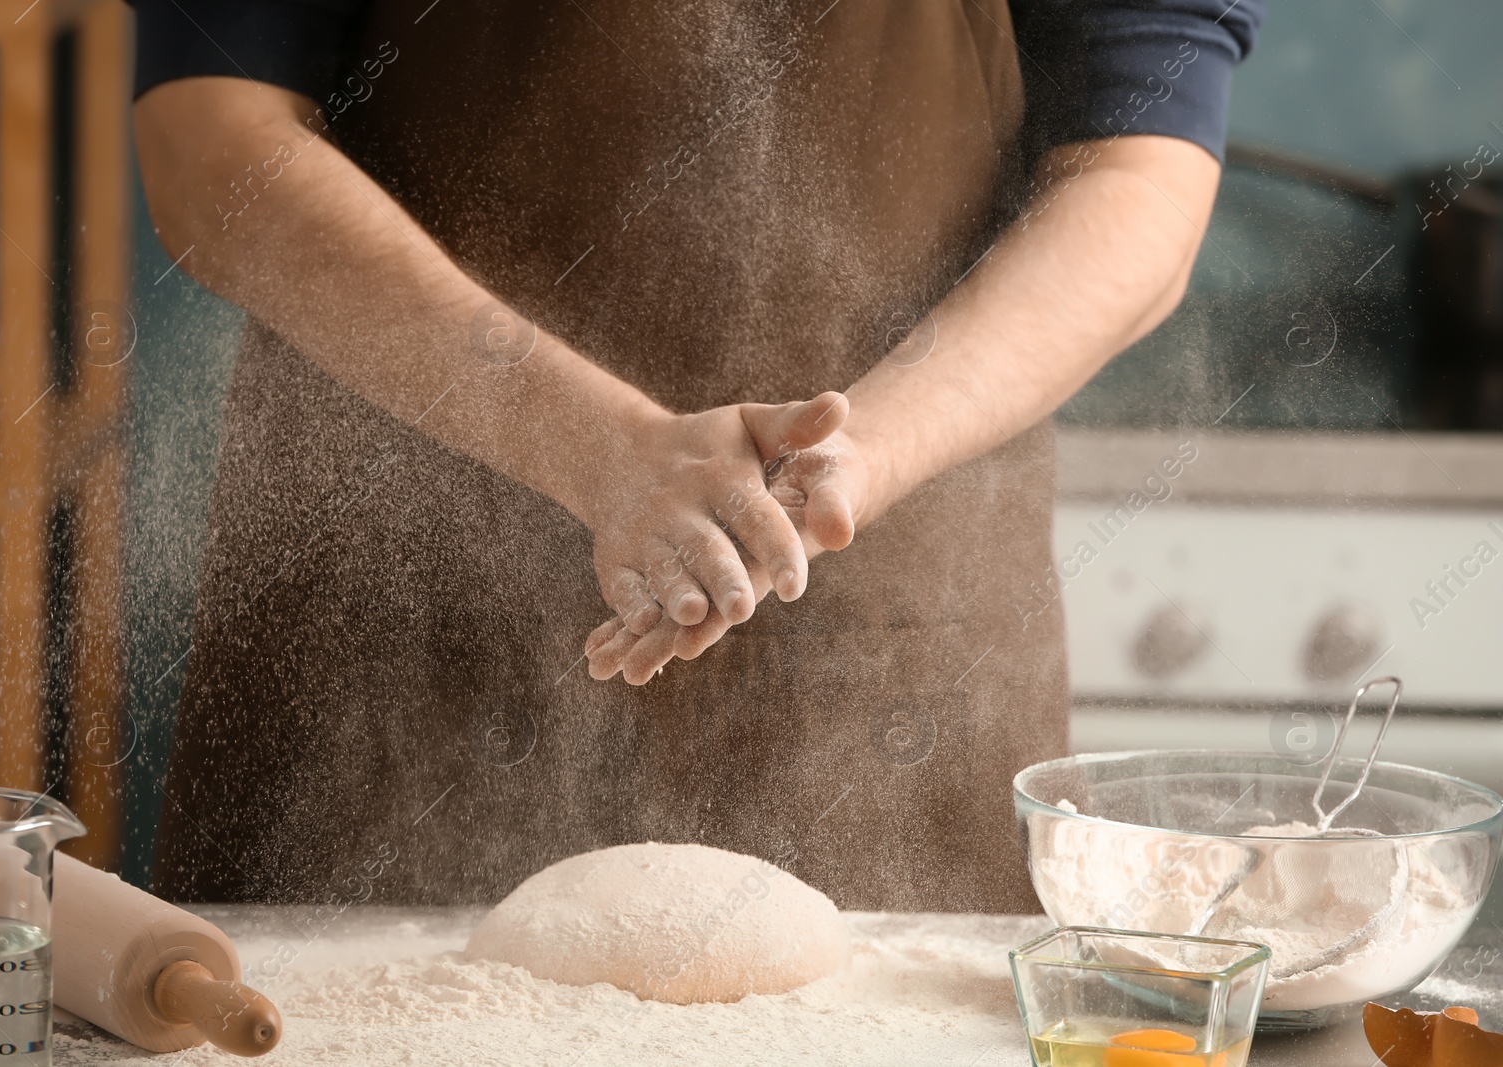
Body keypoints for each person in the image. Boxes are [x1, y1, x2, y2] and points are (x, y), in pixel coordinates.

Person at [133, 0, 1263, 910]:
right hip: (385, 637)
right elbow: (211, 147)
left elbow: (1138, 178)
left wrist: (857, 452)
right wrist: (595, 442)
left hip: (887, 668)